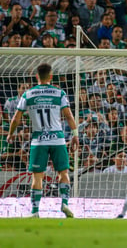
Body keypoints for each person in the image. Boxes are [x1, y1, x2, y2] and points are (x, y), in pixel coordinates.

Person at [6, 63, 79, 218]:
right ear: (51, 76)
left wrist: (10, 134)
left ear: (37, 76)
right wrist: (75, 134)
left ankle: (35, 211)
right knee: (63, 172)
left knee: (37, 176)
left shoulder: (28, 94)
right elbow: (68, 115)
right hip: (57, 139)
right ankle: (65, 203)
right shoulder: (59, 93)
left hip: (39, 140)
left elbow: (16, 118)